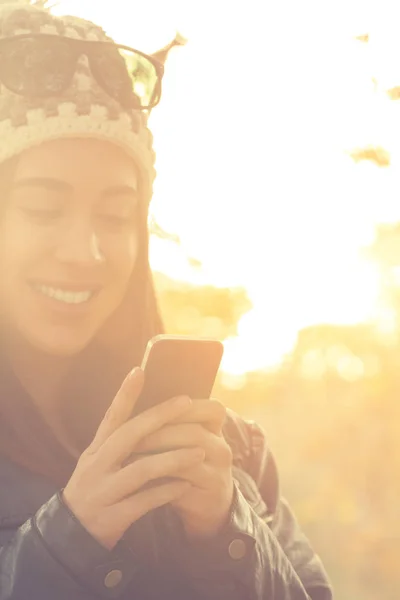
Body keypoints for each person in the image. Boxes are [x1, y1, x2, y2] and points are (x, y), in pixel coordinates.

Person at [0, 2, 333, 599]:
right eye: (43, 208)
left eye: (116, 214)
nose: (87, 251)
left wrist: (224, 534)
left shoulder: (228, 451)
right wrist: (69, 540)